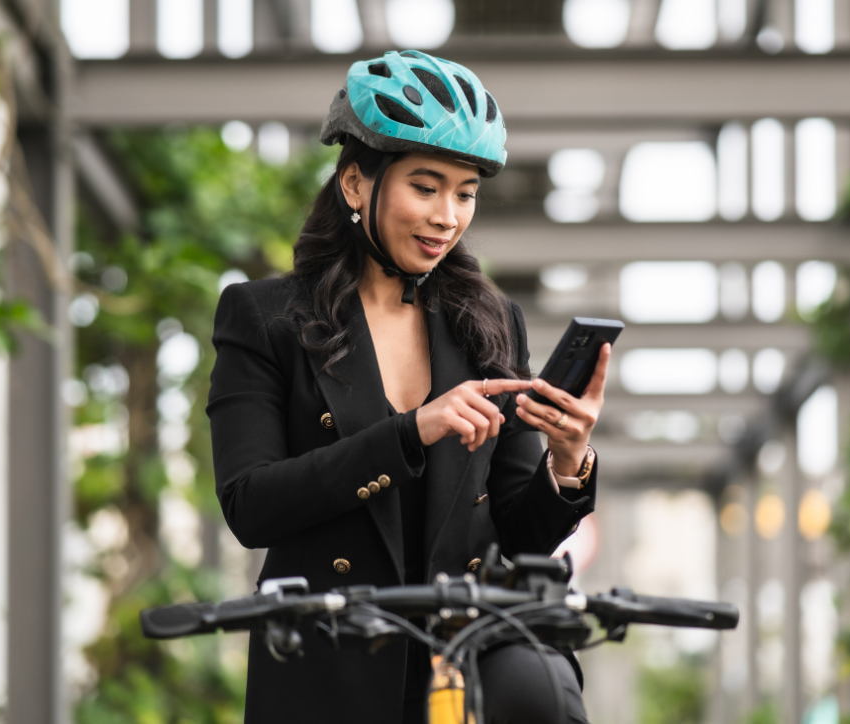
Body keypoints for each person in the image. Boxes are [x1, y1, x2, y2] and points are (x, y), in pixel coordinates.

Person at [208, 50, 611, 724]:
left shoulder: (490, 324)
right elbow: (251, 505)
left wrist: (567, 465)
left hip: (461, 672)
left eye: (465, 193)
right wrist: (411, 431)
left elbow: (516, 536)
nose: (448, 216)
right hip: (327, 672)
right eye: (425, 187)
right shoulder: (265, 318)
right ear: (356, 185)